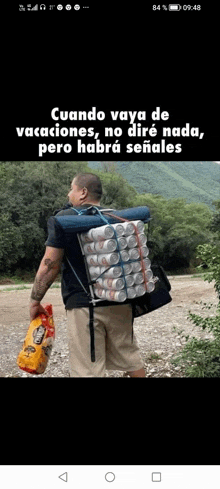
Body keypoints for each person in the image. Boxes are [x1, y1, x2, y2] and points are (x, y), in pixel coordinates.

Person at [30, 172, 145, 377]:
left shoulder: (64, 219)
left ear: (83, 192)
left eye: (71, 189)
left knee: (87, 369)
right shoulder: (115, 217)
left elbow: (50, 264)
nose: (68, 194)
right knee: (130, 358)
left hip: (85, 306)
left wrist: (34, 300)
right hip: (121, 299)